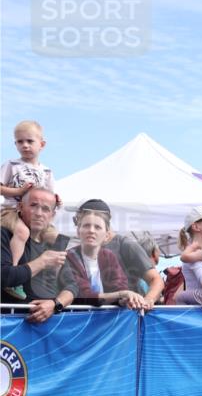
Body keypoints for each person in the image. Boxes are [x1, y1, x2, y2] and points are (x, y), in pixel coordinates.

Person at [1, 121, 58, 300]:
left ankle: (53, 278)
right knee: (22, 232)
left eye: (29, 141)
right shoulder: (11, 164)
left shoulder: (46, 171)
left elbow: (50, 195)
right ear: (15, 144)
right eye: (20, 142)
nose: (25, 145)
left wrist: (57, 200)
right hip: (10, 210)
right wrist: (19, 192)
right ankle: (13, 276)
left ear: (42, 144)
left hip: (33, 214)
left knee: (54, 236)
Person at [57, 204, 145, 309]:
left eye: (97, 227)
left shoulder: (109, 256)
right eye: (86, 226)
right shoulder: (68, 257)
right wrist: (121, 294)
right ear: (78, 231)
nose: (91, 230)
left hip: (106, 316)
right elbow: (84, 295)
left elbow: (119, 286)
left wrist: (125, 299)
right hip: (77, 316)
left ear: (106, 235)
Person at [81, 199, 162, 310]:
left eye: (79, 217)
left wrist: (147, 301)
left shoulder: (126, 245)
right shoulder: (86, 247)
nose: (76, 222)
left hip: (123, 316)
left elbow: (156, 279)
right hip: (89, 315)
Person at [1, 187, 67, 308]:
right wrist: (42, 262)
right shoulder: (4, 234)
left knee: (60, 239)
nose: (39, 213)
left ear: (52, 215)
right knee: (22, 232)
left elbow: (71, 286)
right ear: (21, 206)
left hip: (47, 318)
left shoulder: (50, 241)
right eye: (33, 206)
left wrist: (55, 303)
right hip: (10, 318)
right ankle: (14, 280)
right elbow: (4, 276)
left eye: (46, 209)